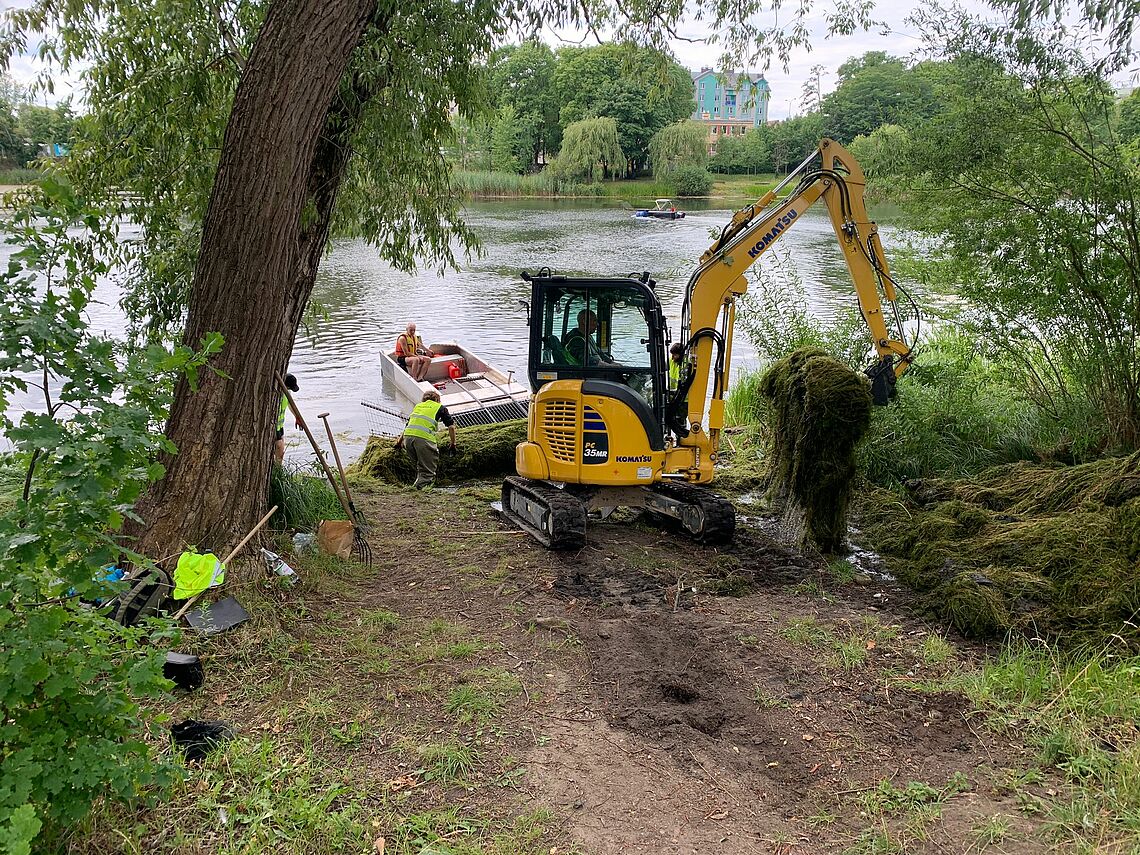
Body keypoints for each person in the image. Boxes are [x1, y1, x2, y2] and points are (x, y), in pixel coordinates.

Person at [394, 389, 456, 489]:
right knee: (428, 472)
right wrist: (453, 443)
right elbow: (451, 427)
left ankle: (418, 486)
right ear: (437, 400)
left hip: (408, 440)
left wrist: (399, 443)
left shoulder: (418, 407)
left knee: (420, 467)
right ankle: (417, 492)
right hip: (424, 440)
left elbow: (407, 426)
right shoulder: (440, 408)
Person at [274, 373, 299, 463]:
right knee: (279, 448)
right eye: (288, 388)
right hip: (273, 426)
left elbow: (290, 404)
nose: (289, 390)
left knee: (281, 450)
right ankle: (277, 471)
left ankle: (278, 469)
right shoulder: (275, 395)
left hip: (280, 425)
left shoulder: (286, 392)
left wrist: (297, 417)